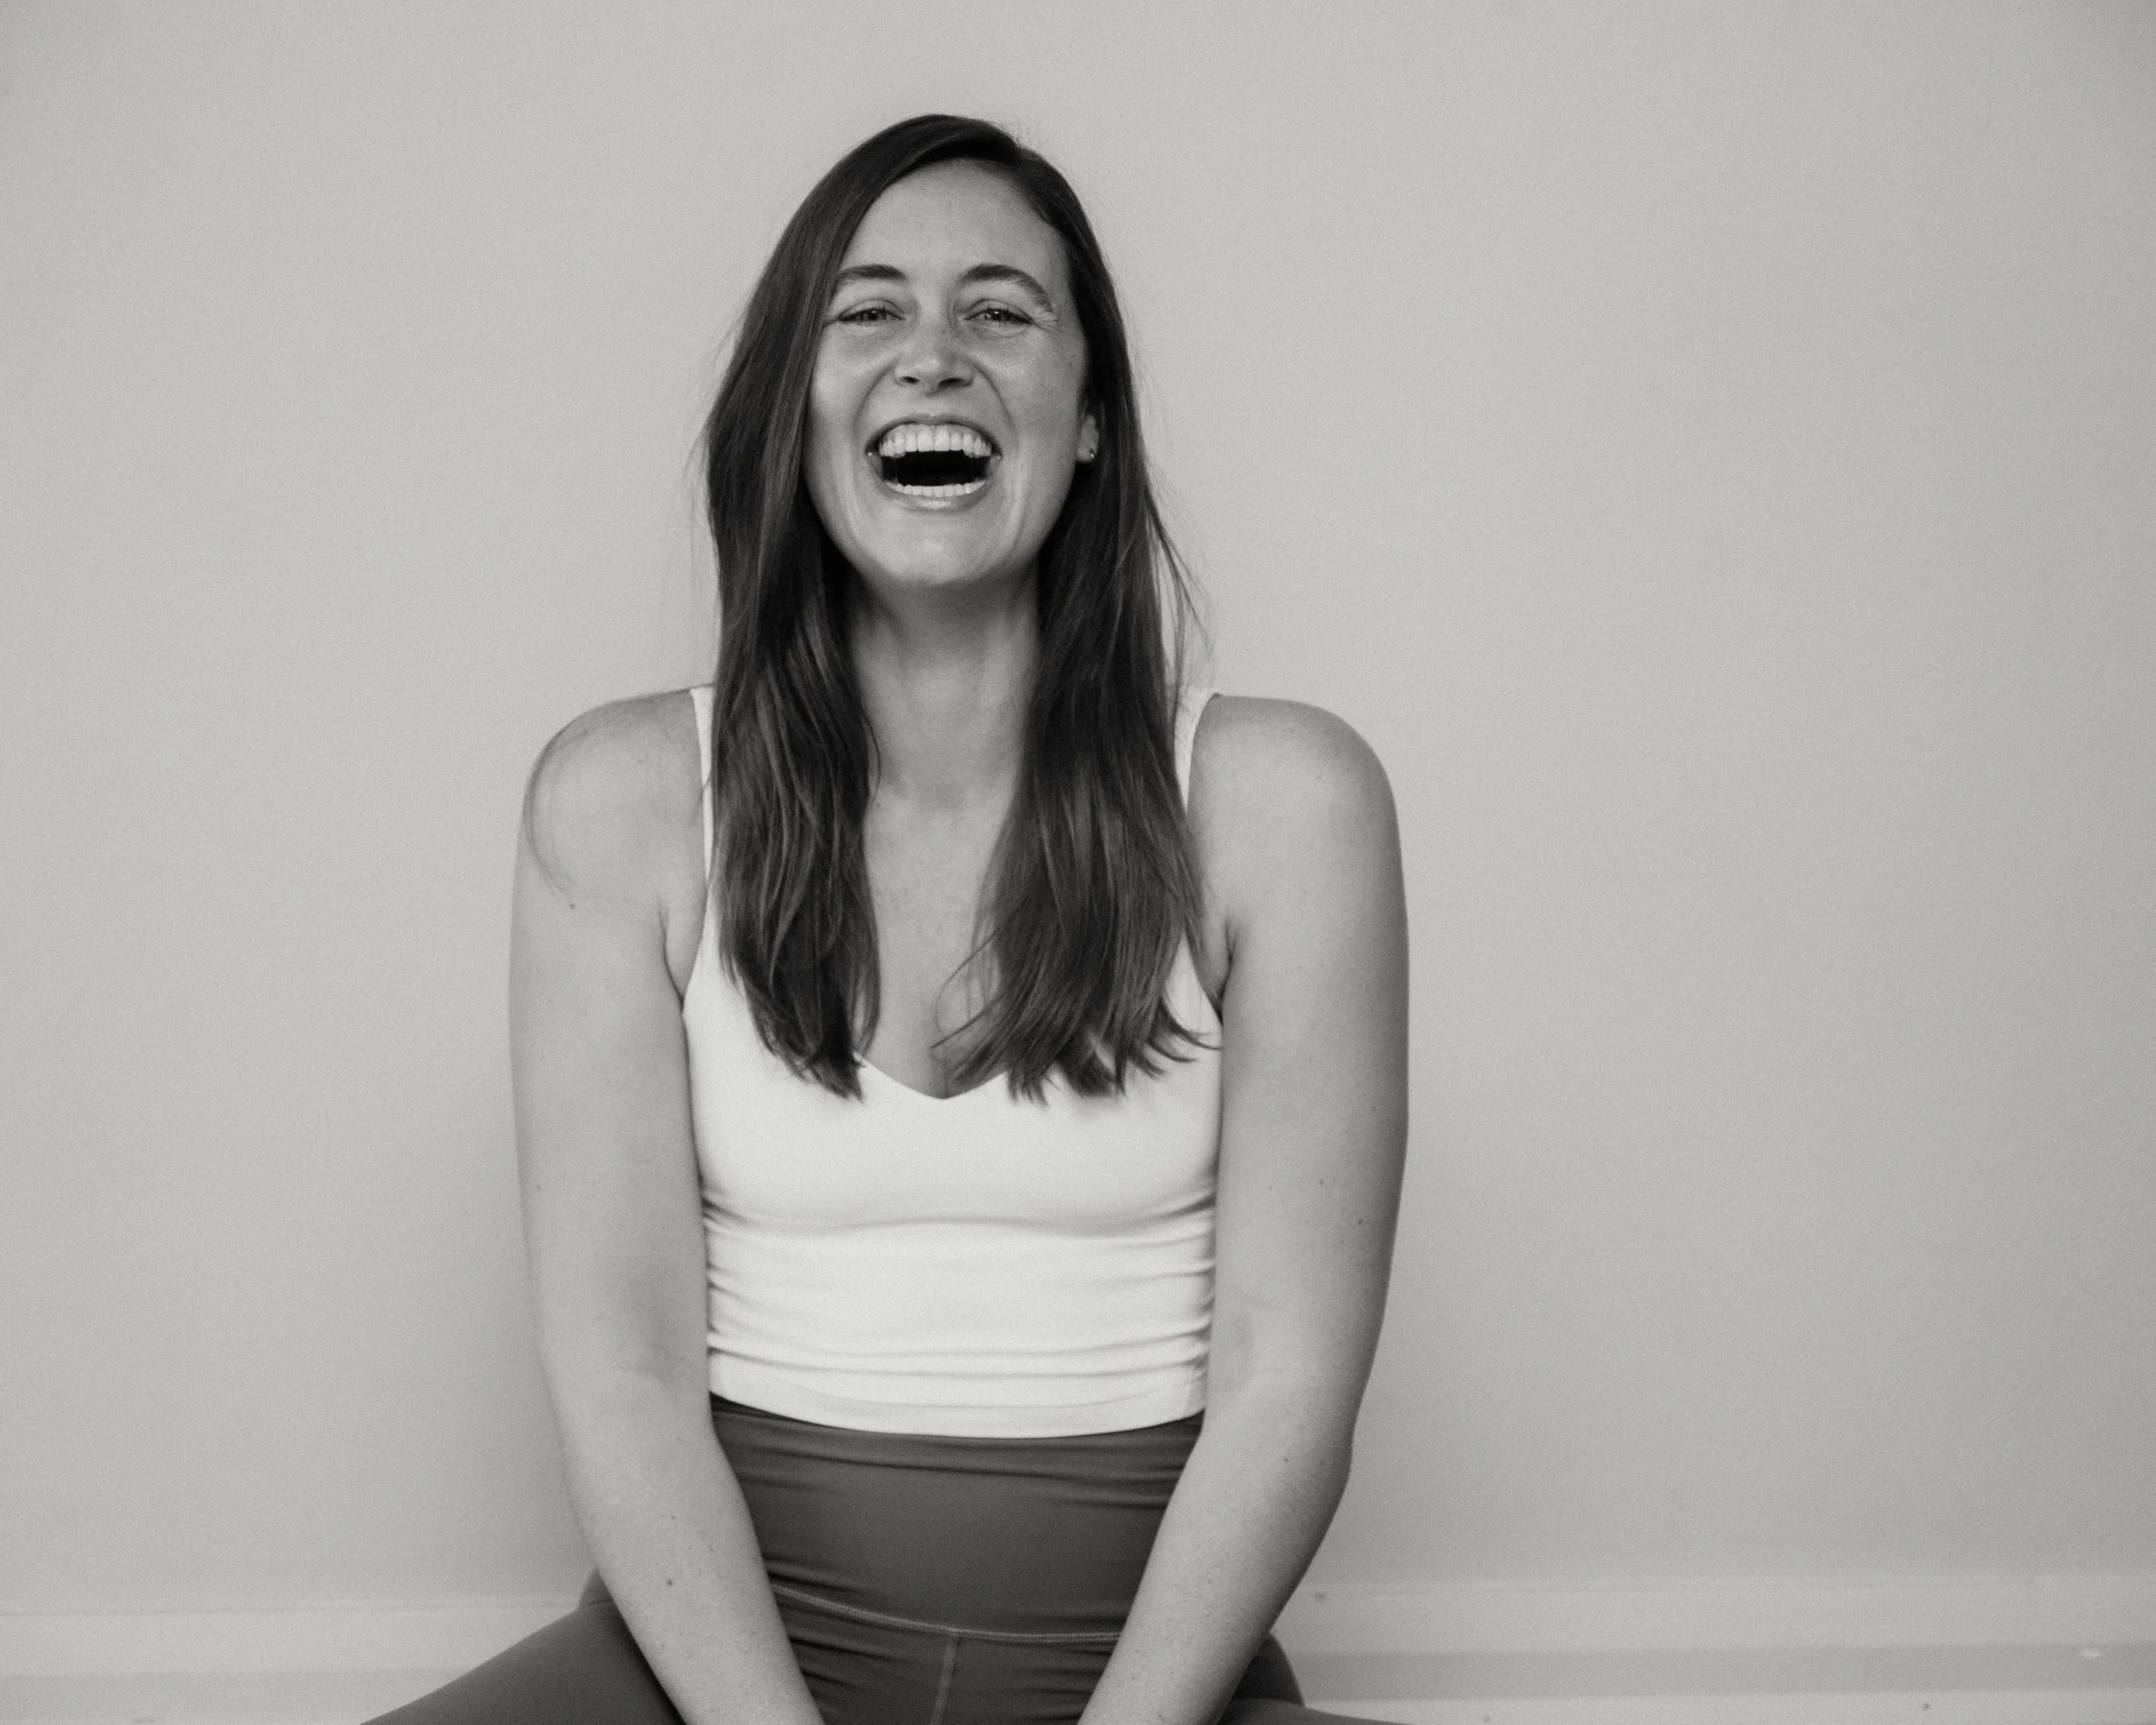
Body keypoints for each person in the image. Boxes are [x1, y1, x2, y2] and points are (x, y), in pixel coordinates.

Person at [374, 114, 1407, 1725]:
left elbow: (1292, 1379)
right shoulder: (620, 800)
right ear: (793, 416)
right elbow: (624, 1376)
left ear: (1085, 424)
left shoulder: (1288, 803)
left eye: (1002, 312)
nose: (934, 356)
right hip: (711, 1680)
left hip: (1149, 1686)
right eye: (866, 314)